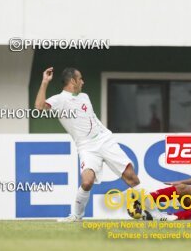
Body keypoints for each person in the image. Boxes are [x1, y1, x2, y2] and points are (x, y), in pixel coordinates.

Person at [35, 67, 151, 222]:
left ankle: (157, 213)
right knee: (87, 181)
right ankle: (76, 216)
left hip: (104, 140)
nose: (83, 81)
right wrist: (44, 82)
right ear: (72, 81)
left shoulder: (85, 96)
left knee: (131, 177)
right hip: (86, 147)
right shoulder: (60, 100)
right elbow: (39, 106)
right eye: (80, 78)